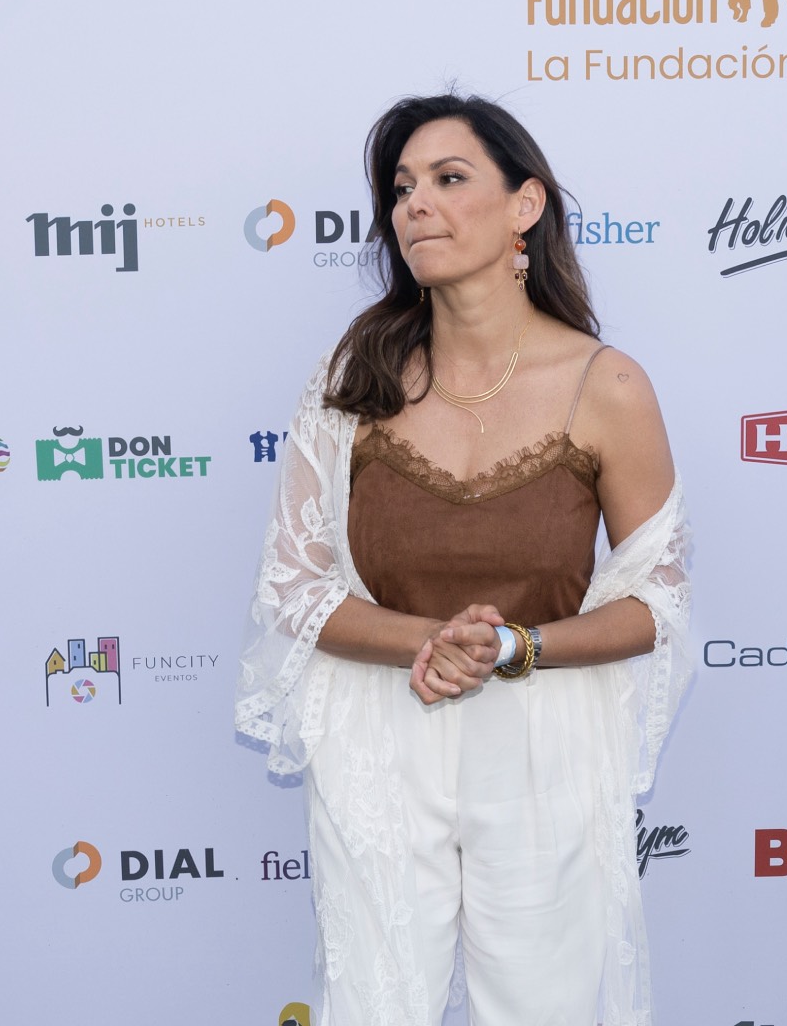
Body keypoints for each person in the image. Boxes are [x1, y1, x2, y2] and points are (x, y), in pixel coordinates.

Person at [235, 93, 691, 1026]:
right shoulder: (352, 375)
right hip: (375, 733)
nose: (416, 206)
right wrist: (431, 641)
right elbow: (292, 584)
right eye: (402, 188)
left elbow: (661, 605)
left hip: (545, 742)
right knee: (374, 1008)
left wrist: (516, 648)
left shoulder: (606, 385)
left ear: (525, 206)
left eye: (449, 179)